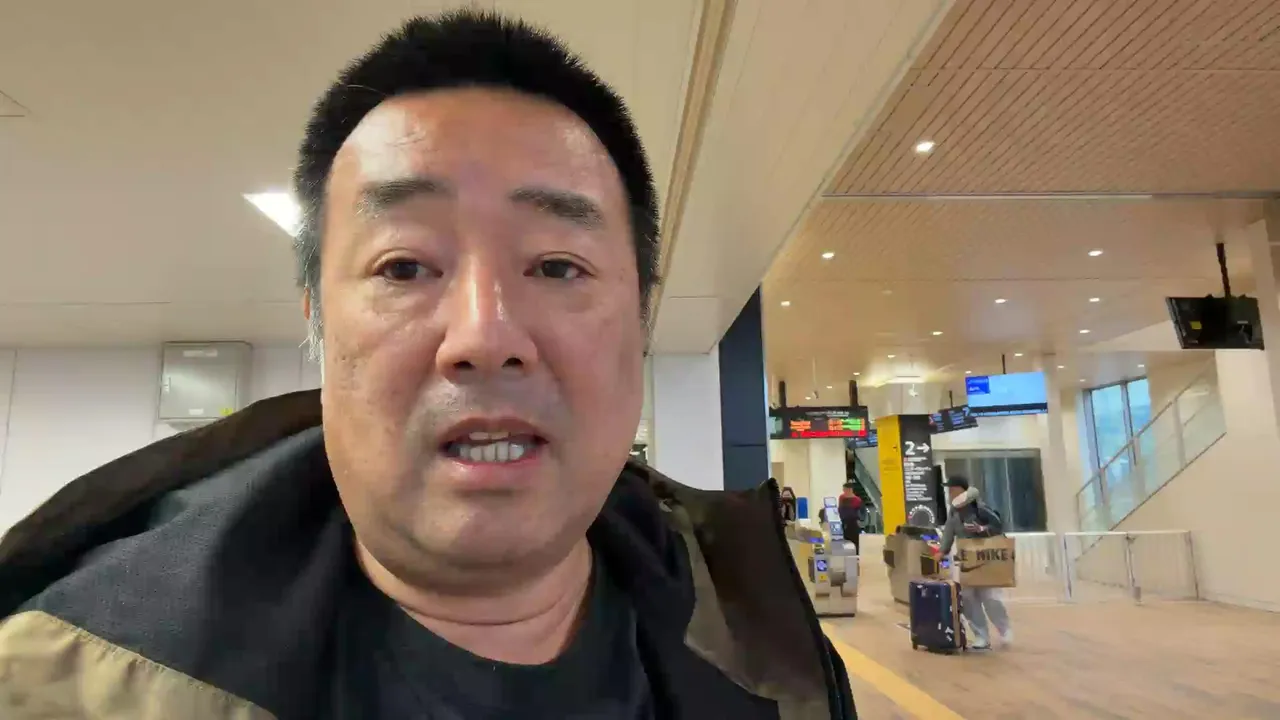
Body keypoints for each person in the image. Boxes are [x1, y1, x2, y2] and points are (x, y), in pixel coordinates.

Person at [0, 10, 857, 719]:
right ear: (317, 320)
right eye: (405, 267)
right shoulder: (68, 684)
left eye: (558, 266)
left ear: (641, 319)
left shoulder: (772, 646)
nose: (484, 335)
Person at [936, 476, 1013, 651]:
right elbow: (949, 532)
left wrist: (982, 529)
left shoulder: (980, 508)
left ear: (962, 490)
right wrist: (942, 550)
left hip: (986, 559)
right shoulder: (954, 512)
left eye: (953, 489)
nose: (950, 493)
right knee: (968, 599)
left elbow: (998, 525)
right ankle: (981, 636)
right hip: (966, 560)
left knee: (991, 598)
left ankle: (1004, 629)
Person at [836, 482, 863, 554]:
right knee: (845, 539)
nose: (844, 491)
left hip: (853, 523)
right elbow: (840, 509)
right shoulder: (841, 497)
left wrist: (859, 521)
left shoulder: (857, 500)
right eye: (843, 489)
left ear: (850, 489)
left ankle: (856, 554)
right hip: (844, 522)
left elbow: (858, 513)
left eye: (845, 489)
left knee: (855, 540)